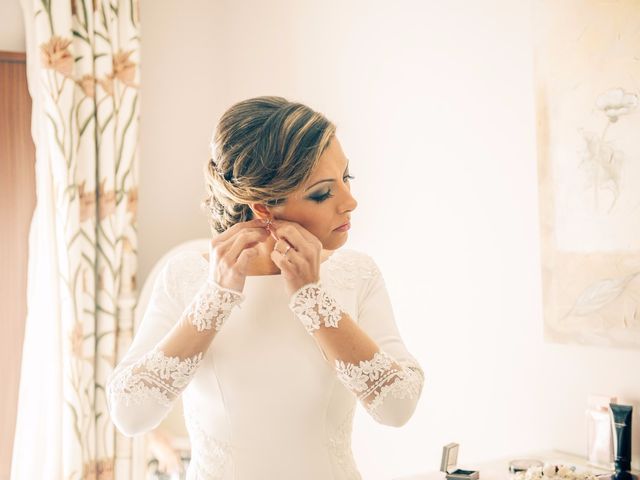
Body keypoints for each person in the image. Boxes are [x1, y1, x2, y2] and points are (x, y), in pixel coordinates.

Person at [106, 96, 425, 479]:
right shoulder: (186, 278)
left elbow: (398, 407)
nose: (350, 201)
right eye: (324, 192)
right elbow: (130, 414)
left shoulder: (356, 274)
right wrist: (216, 296)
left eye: (347, 179)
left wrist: (313, 298)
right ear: (262, 208)